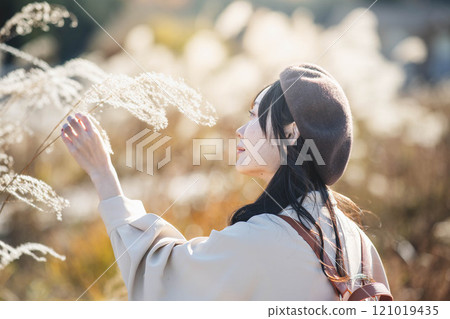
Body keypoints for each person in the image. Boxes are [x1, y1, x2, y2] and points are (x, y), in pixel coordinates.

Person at [61, 63, 391, 301]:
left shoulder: (260, 240)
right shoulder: (358, 241)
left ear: (290, 134)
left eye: (253, 116)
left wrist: (102, 174)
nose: (240, 130)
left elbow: (158, 276)